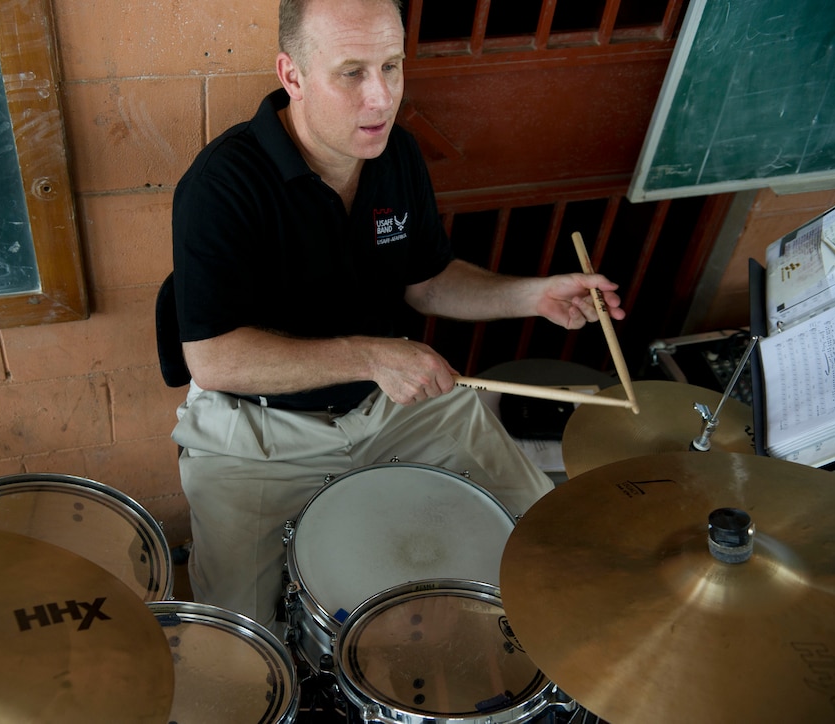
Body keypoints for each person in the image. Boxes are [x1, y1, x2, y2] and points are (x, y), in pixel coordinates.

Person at [167, 0, 626, 637]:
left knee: (544, 542)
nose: (381, 98)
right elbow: (214, 359)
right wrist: (374, 355)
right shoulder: (222, 185)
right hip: (258, 435)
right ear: (292, 75)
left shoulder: (396, 156)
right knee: (237, 648)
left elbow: (428, 280)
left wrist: (534, 296)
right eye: (351, 72)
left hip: (393, 406)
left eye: (392, 66)